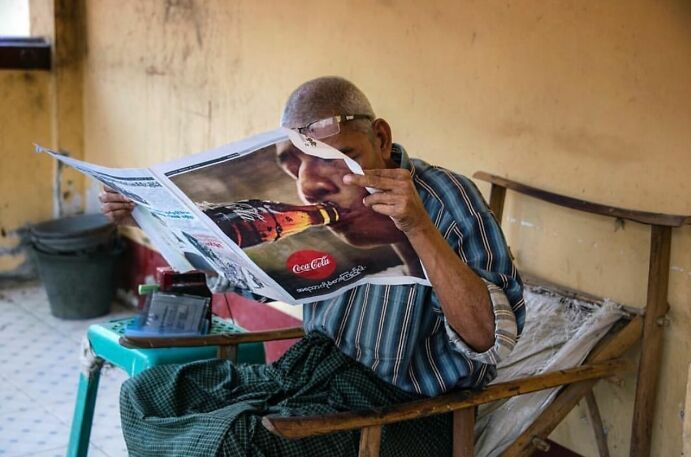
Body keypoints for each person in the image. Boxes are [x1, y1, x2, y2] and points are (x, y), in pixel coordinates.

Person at [101, 76, 525, 456]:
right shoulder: (311, 208)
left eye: (343, 156)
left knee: (237, 444)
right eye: (301, 161)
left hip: (404, 412)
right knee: (147, 394)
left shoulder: (447, 199)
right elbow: (261, 281)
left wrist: (418, 229)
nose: (316, 181)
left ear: (380, 137)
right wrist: (148, 216)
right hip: (308, 375)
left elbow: (488, 338)